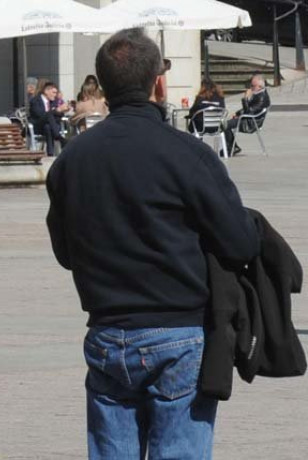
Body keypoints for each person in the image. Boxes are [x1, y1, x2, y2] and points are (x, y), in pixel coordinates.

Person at [46, 28, 259, 460]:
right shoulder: (187, 153)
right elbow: (239, 243)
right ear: (158, 83)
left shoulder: (73, 158)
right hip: (178, 329)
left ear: (101, 86)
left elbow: (65, 252)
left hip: (107, 330)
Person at [224, 74, 271, 155]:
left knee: (225, 125)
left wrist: (245, 98)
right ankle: (232, 147)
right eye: (250, 85)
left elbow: (249, 112)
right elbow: (249, 109)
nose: (251, 88)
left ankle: (231, 147)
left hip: (252, 123)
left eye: (253, 86)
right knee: (226, 123)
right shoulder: (258, 94)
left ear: (259, 86)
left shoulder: (262, 98)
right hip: (248, 119)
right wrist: (237, 114)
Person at [28, 81, 70, 156]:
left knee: (48, 127)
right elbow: (40, 115)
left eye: (56, 93)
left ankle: (50, 154)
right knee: (49, 115)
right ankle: (59, 137)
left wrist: (62, 110)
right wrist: (56, 110)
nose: (56, 95)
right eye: (53, 92)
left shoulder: (54, 101)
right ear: (46, 91)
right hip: (38, 125)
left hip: (50, 126)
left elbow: (60, 115)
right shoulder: (35, 101)